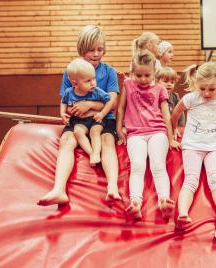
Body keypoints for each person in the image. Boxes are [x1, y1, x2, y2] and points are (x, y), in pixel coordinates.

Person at [38, 25, 121, 206]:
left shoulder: (109, 72)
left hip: (103, 118)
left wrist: (90, 105)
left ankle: (113, 187)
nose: (96, 54)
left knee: (107, 142)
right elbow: (68, 105)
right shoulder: (72, 71)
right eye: (91, 50)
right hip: (79, 120)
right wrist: (71, 111)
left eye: (100, 49)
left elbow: (112, 102)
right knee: (67, 141)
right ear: (82, 50)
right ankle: (59, 189)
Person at [171, 62, 216, 240]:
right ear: (195, 84)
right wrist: (172, 134)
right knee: (191, 179)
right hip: (192, 145)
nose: (207, 93)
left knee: (215, 179)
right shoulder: (191, 98)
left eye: (212, 89)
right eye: (203, 88)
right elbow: (175, 114)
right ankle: (183, 214)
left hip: (214, 146)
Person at [116, 52, 181, 221]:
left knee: (158, 165)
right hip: (135, 133)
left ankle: (164, 200)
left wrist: (171, 137)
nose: (143, 79)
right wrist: (118, 129)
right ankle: (135, 202)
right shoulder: (128, 85)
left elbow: (166, 115)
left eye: (147, 75)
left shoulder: (159, 89)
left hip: (157, 132)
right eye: (138, 75)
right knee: (137, 165)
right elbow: (121, 108)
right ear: (132, 73)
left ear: (154, 73)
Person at [60, 58, 114, 167]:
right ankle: (92, 153)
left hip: (95, 119)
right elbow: (63, 102)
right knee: (77, 132)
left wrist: (102, 114)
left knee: (95, 132)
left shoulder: (97, 91)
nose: (93, 83)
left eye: (93, 79)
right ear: (75, 83)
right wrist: (62, 113)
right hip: (79, 120)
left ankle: (96, 152)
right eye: (88, 81)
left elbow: (109, 101)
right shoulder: (69, 92)